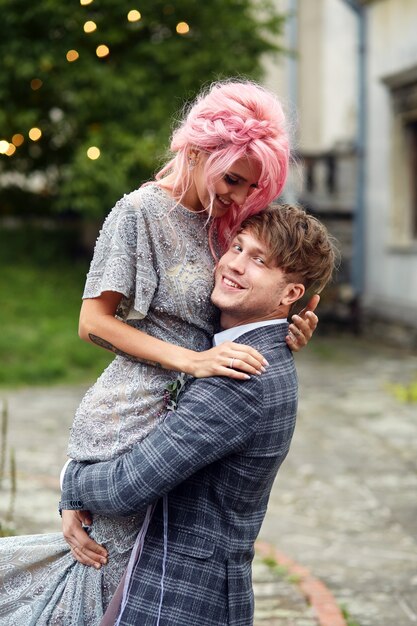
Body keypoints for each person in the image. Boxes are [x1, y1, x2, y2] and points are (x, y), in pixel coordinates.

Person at [0, 80, 317, 626]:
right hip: (133, 408)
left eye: (252, 186)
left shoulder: (225, 225)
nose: (242, 199)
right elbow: (91, 323)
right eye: (234, 180)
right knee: (104, 579)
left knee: (139, 578)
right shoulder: (138, 213)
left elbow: (242, 304)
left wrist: (281, 328)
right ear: (196, 152)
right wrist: (189, 361)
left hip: (193, 404)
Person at [60, 204, 337, 626]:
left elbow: (127, 486)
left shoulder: (240, 376)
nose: (235, 266)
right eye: (238, 247)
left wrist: (70, 482)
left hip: (181, 600)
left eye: (259, 261)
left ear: (290, 295)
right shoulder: (251, 350)